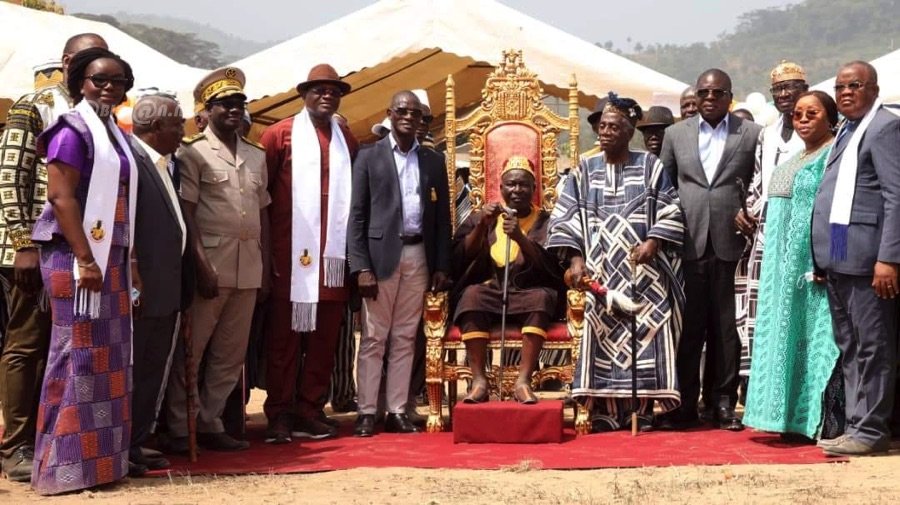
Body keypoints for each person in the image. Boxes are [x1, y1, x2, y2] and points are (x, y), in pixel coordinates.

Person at [0, 33, 107, 483]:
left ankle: (48, 438)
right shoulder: (37, 104)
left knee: (58, 346)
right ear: (67, 62)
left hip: (73, 252)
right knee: (25, 345)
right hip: (32, 251)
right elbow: (9, 174)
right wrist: (23, 242)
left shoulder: (100, 115)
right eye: (85, 61)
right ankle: (15, 446)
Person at [30, 47, 138, 495]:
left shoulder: (114, 131)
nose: (109, 87)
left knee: (105, 358)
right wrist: (86, 258)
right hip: (75, 256)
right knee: (76, 352)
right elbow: (62, 197)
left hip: (109, 256)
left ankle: (102, 465)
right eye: (99, 80)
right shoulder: (70, 130)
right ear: (78, 83)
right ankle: (62, 467)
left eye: (117, 81)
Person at [547, 93, 685, 432]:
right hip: (602, 273)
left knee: (649, 330)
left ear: (629, 131)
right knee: (602, 334)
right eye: (602, 126)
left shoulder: (651, 166)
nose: (605, 132)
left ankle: (645, 410)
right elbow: (566, 217)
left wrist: (654, 241)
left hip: (645, 274)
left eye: (614, 127)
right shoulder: (584, 170)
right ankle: (605, 412)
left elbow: (671, 209)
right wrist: (577, 259)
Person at [164, 67, 271, 453]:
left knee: (230, 354)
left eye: (239, 103)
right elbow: (186, 213)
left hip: (248, 266)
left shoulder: (256, 155)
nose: (234, 110)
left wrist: (267, 269)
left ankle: (209, 421)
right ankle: (180, 425)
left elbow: (263, 214)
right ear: (206, 111)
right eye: (224, 104)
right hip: (211, 263)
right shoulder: (192, 152)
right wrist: (199, 265)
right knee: (193, 352)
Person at [258, 64, 358, 443]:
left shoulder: (346, 138)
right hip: (289, 256)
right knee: (284, 341)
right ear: (304, 94)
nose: (327, 96)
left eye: (334, 91)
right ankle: (280, 413)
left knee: (322, 341)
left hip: (331, 262)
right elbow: (262, 197)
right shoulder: (279, 135)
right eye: (319, 90)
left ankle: (310, 409)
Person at [658, 69, 762, 431]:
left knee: (725, 328)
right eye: (704, 92)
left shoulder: (750, 134)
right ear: (696, 96)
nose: (710, 98)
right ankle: (684, 405)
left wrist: (749, 211)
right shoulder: (675, 134)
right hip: (687, 242)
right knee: (689, 328)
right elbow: (665, 188)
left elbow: (756, 183)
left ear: (729, 97)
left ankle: (721, 403)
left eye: (718, 93)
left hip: (732, 241)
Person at [743, 91, 845, 442]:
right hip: (782, 273)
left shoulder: (835, 156)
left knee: (820, 340)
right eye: (798, 114)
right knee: (789, 339)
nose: (802, 119)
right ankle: (788, 419)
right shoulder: (798, 156)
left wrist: (834, 260)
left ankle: (823, 422)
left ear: (830, 118)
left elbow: (840, 213)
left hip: (814, 269)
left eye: (811, 113)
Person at [348, 90, 451, 437]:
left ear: (423, 120)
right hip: (380, 258)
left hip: (418, 255)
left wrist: (441, 264)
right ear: (389, 114)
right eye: (402, 111)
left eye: (416, 113)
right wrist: (360, 266)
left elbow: (442, 220)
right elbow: (357, 216)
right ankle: (366, 411)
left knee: (406, 336)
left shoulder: (434, 162)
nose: (409, 117)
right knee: (375, 337)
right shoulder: (368, 157)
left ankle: (396, 410)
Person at [812, 61, 900, 456]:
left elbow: (896, 198)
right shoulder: (846, 130)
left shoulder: (884, 128)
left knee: (873, 345)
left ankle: (872, 429)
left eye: (855, 85)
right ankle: (856, 424)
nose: (846, 92)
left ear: (874, 88)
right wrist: (827, 257)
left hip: (870, 262)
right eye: (840, 87)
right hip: (841, 258)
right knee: (849, 344)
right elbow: (839, 202)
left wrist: (890, 259)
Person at [453, 156, 564, 404]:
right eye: (511, 185)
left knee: (542, 297)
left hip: (526, 290)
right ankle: (479, 380)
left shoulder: (547, 221)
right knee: (471, 296)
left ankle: (523, 380)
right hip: (492, 289)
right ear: (500, 188)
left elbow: (552, 267)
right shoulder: (481, 216)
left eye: (523, 185)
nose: (517, 190)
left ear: (535, 189)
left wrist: (520, 238)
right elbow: (461, 257)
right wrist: (482, 225)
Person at [734, 62, 808, 379]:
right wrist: (745, 210)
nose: (783, 94)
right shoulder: (766, 135)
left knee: (799, 319)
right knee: (767, 318)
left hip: (803, 239)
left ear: (805, 90)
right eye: (777, 89)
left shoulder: (821, 133)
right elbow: (757, 185)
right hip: (766, 237)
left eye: (790, 87)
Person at [127, 93, 188, 473]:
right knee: (133, 367)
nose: (184, 129)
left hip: (167, 284)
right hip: (141, 286)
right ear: (154, 128)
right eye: (178, 123)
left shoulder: (166, 164)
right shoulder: (130, 162)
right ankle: (121, 445)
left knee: (152, 368)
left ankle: (135, 441)